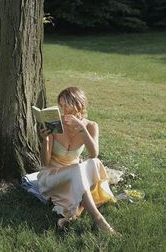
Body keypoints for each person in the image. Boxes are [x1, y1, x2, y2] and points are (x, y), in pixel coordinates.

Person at [37, 87, 120, 235]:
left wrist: (81, 128)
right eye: (61, 106)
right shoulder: (56, 124)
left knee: (94, 163)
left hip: (75, 176)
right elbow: (45, 163)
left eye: (66, 105)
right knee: (78, 169)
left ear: (78, 104)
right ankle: (99, 219)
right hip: (51, 176)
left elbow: (94, 154)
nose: (63, 110)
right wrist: (46, 139)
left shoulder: (91, 126)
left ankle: (73, 215)